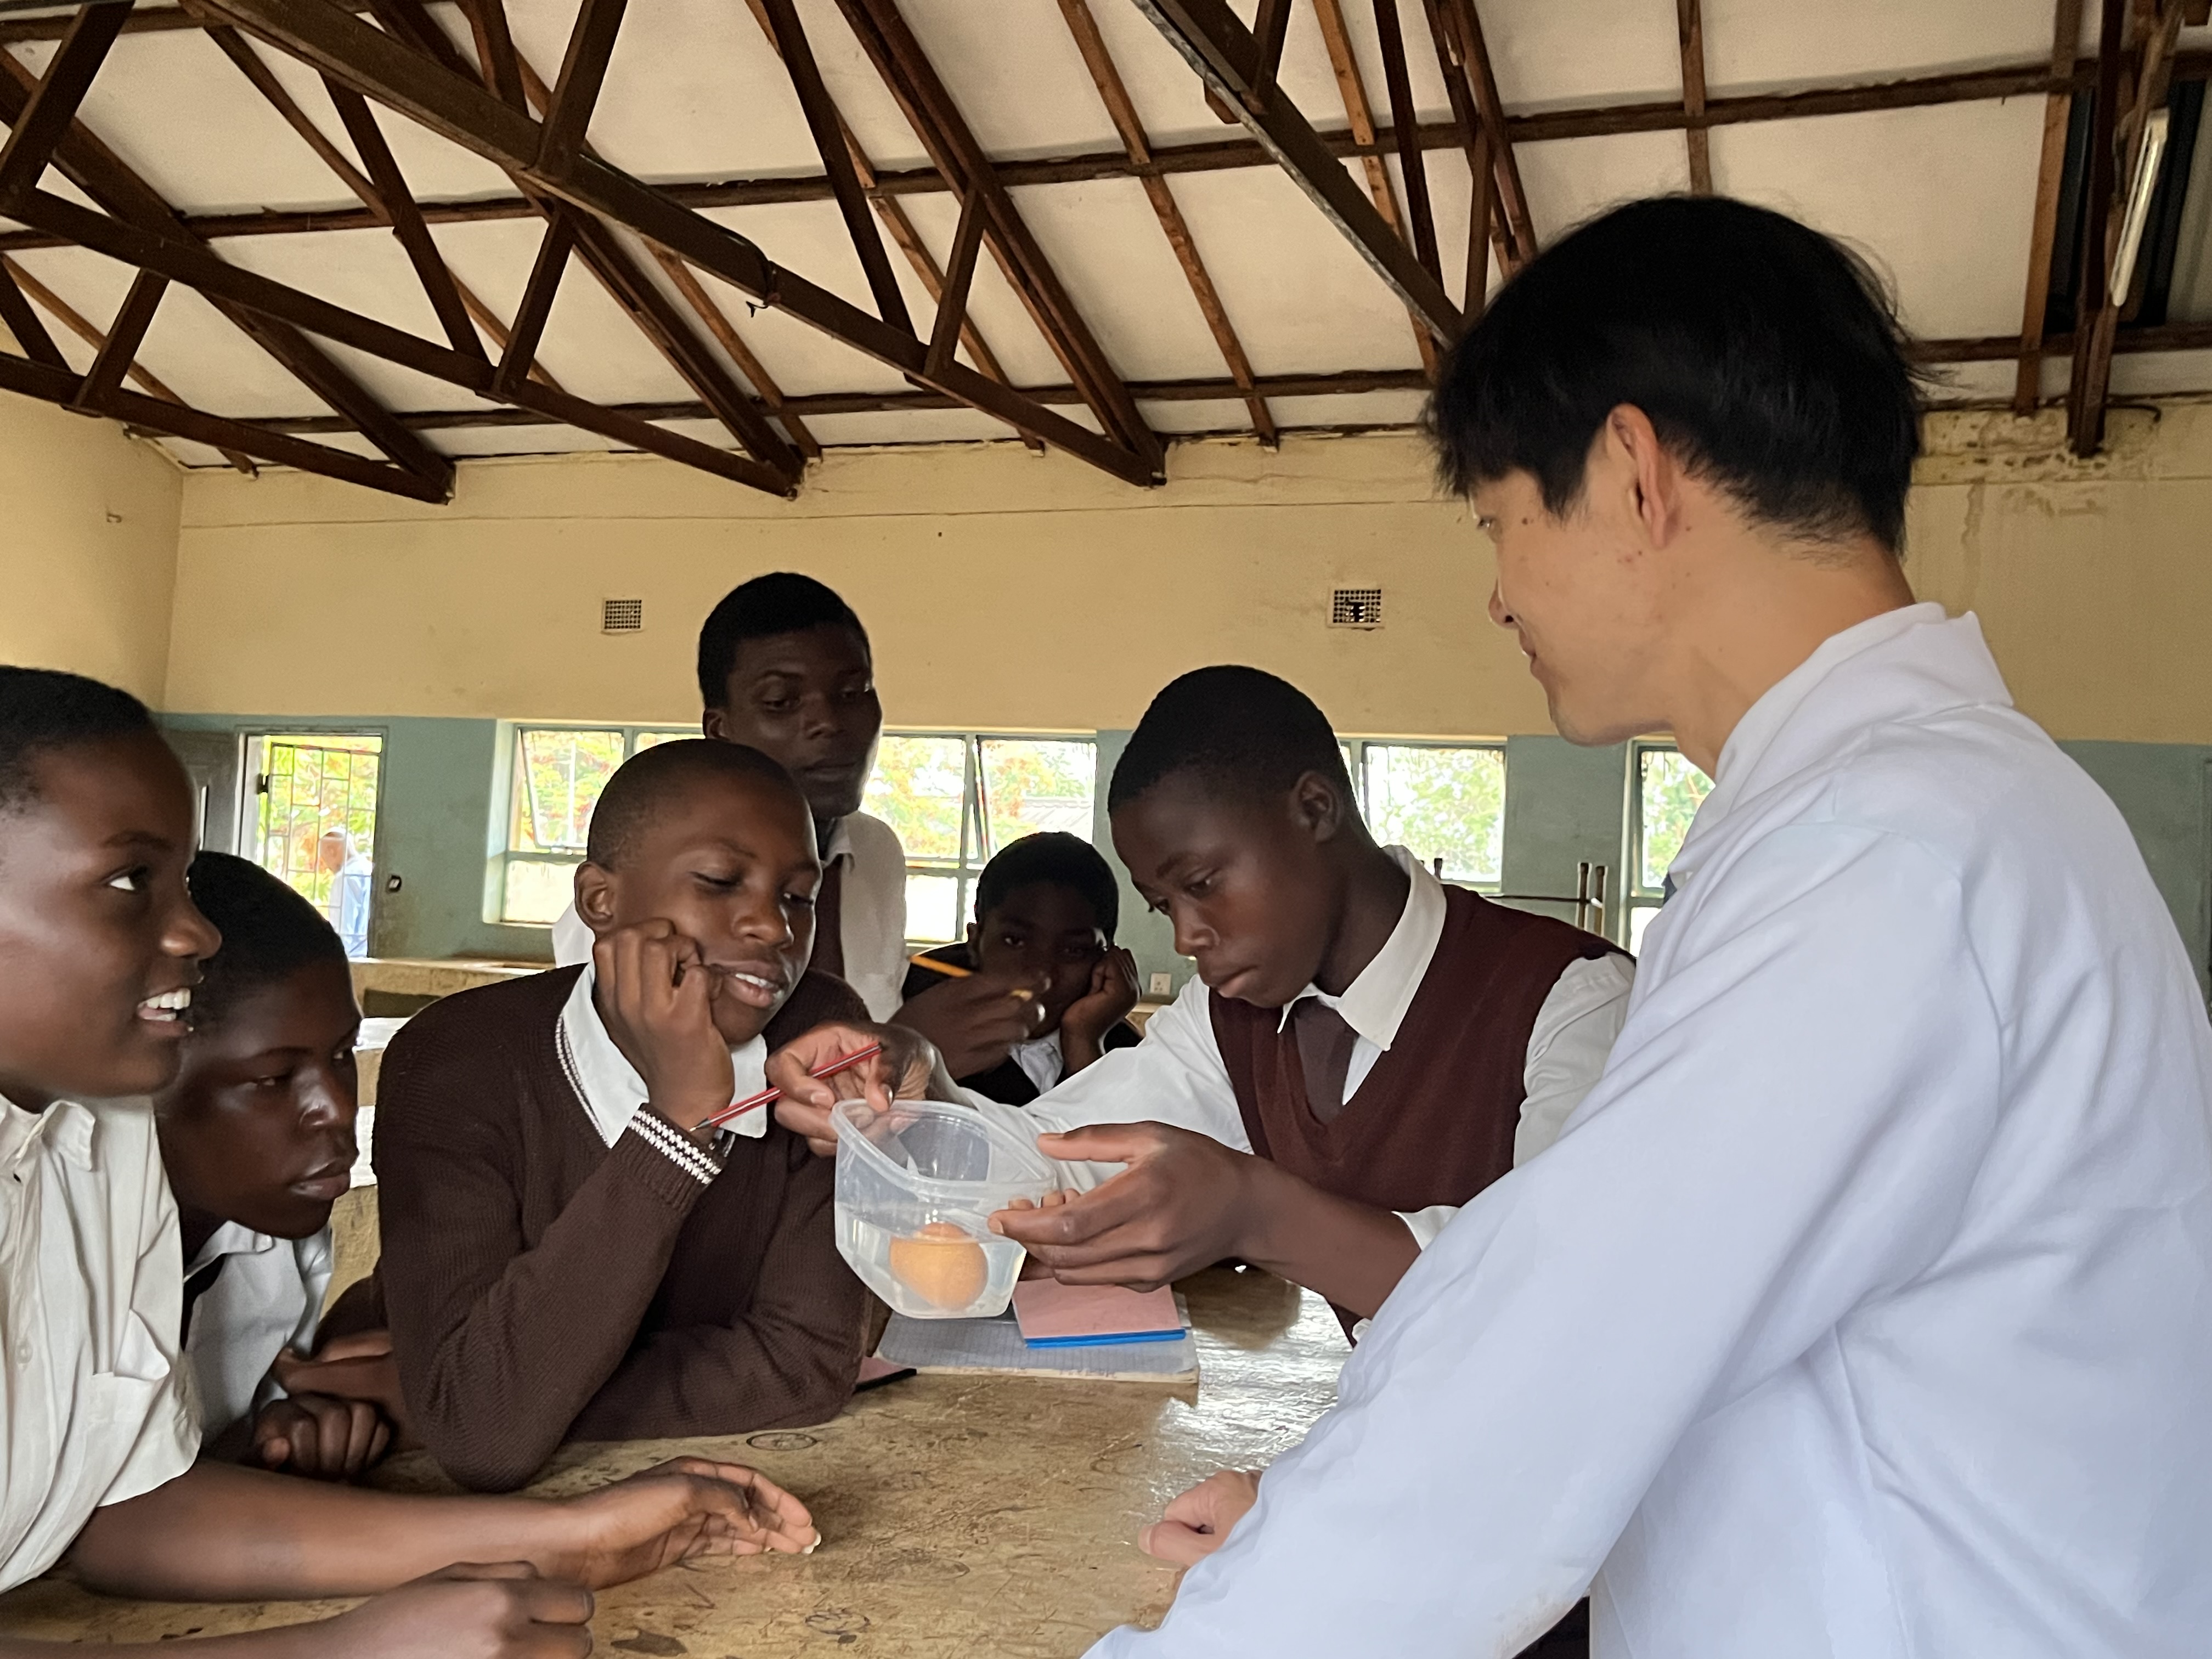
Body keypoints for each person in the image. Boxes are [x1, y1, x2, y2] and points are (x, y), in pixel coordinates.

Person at [1078, 198, 2212, 1657]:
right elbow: (1634, 1327)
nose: (1499, 597)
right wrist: (1305, 1510)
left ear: (1630, 476)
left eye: (1502, 523)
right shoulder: (1912, 821)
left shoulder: (1888, 858)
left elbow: (1557, 1364)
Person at [0, 666, 817, 1656]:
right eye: (133, 880)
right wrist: (340, 1648)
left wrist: (576, 1537)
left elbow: (129, 1508)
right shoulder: (466, 1065)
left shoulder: (102, 1133)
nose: (195, 930)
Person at [768, 665, 1635, 1333]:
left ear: (1314, 808)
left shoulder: (1573, 1001)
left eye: (1204, 883)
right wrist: (923, 1094)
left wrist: (1258, 1215)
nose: (1186, 936)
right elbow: (1061, 1154)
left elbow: (1565, 1289)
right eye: (1163, 906)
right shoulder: (1232, 1020)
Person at [370, 740, 872, 1493]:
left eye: (798, 897)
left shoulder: (814, 1036)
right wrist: (676, 1126)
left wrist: (506, 1393)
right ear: (600, 901)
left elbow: (806, 1364)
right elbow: (482, 1433)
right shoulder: (454, 1063)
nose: (774, 927)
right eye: (720, 881)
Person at [549, 572, 1043, 1076]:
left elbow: (869, 1022)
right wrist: (900, 1049)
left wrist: (913, 1052)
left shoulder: (876, 853)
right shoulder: (633, 900)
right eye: (781, 702)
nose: (830, 722)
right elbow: (622, 1085)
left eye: (852, 692)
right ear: (722, 731)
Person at [153, 850, 397, 1481]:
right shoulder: (46, 1248)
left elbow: (204, 1451)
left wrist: (278, 1428)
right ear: (146, 1082)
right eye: (273, 1079)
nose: (336, 1109)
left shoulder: (278, 1236)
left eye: (342, 1054)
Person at [901, 832, 1142, 1105]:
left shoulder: (1123, 1049)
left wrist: (1083, 1043)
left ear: (1107, 960)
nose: (1042, 974)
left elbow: (1115, 1128)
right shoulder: (919, 1022)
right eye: (1015, 941)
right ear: (976, 941)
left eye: (1074, 950)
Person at [315, 828, 372, 959]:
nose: (327, 866)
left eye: (324, 858)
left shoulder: (345, 878)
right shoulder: (370, 870)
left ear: (331, 851)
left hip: (353, 959)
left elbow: (343, 929)